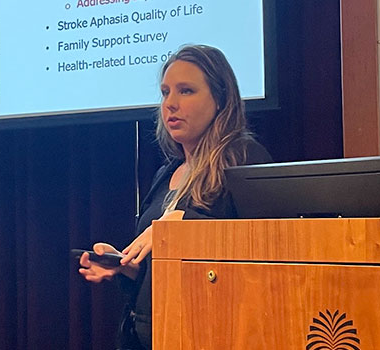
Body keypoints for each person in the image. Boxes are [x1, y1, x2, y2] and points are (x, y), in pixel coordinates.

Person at [78, 44, 272, 349]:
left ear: (220, 100)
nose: (170, 104)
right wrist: (127, 266)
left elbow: (263, 249)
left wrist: (179, 225)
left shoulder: (243, 158)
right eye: (166, 92)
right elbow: (165, 269)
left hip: (209, 333)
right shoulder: (166, 174)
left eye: (186, 91)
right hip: (147, 335)